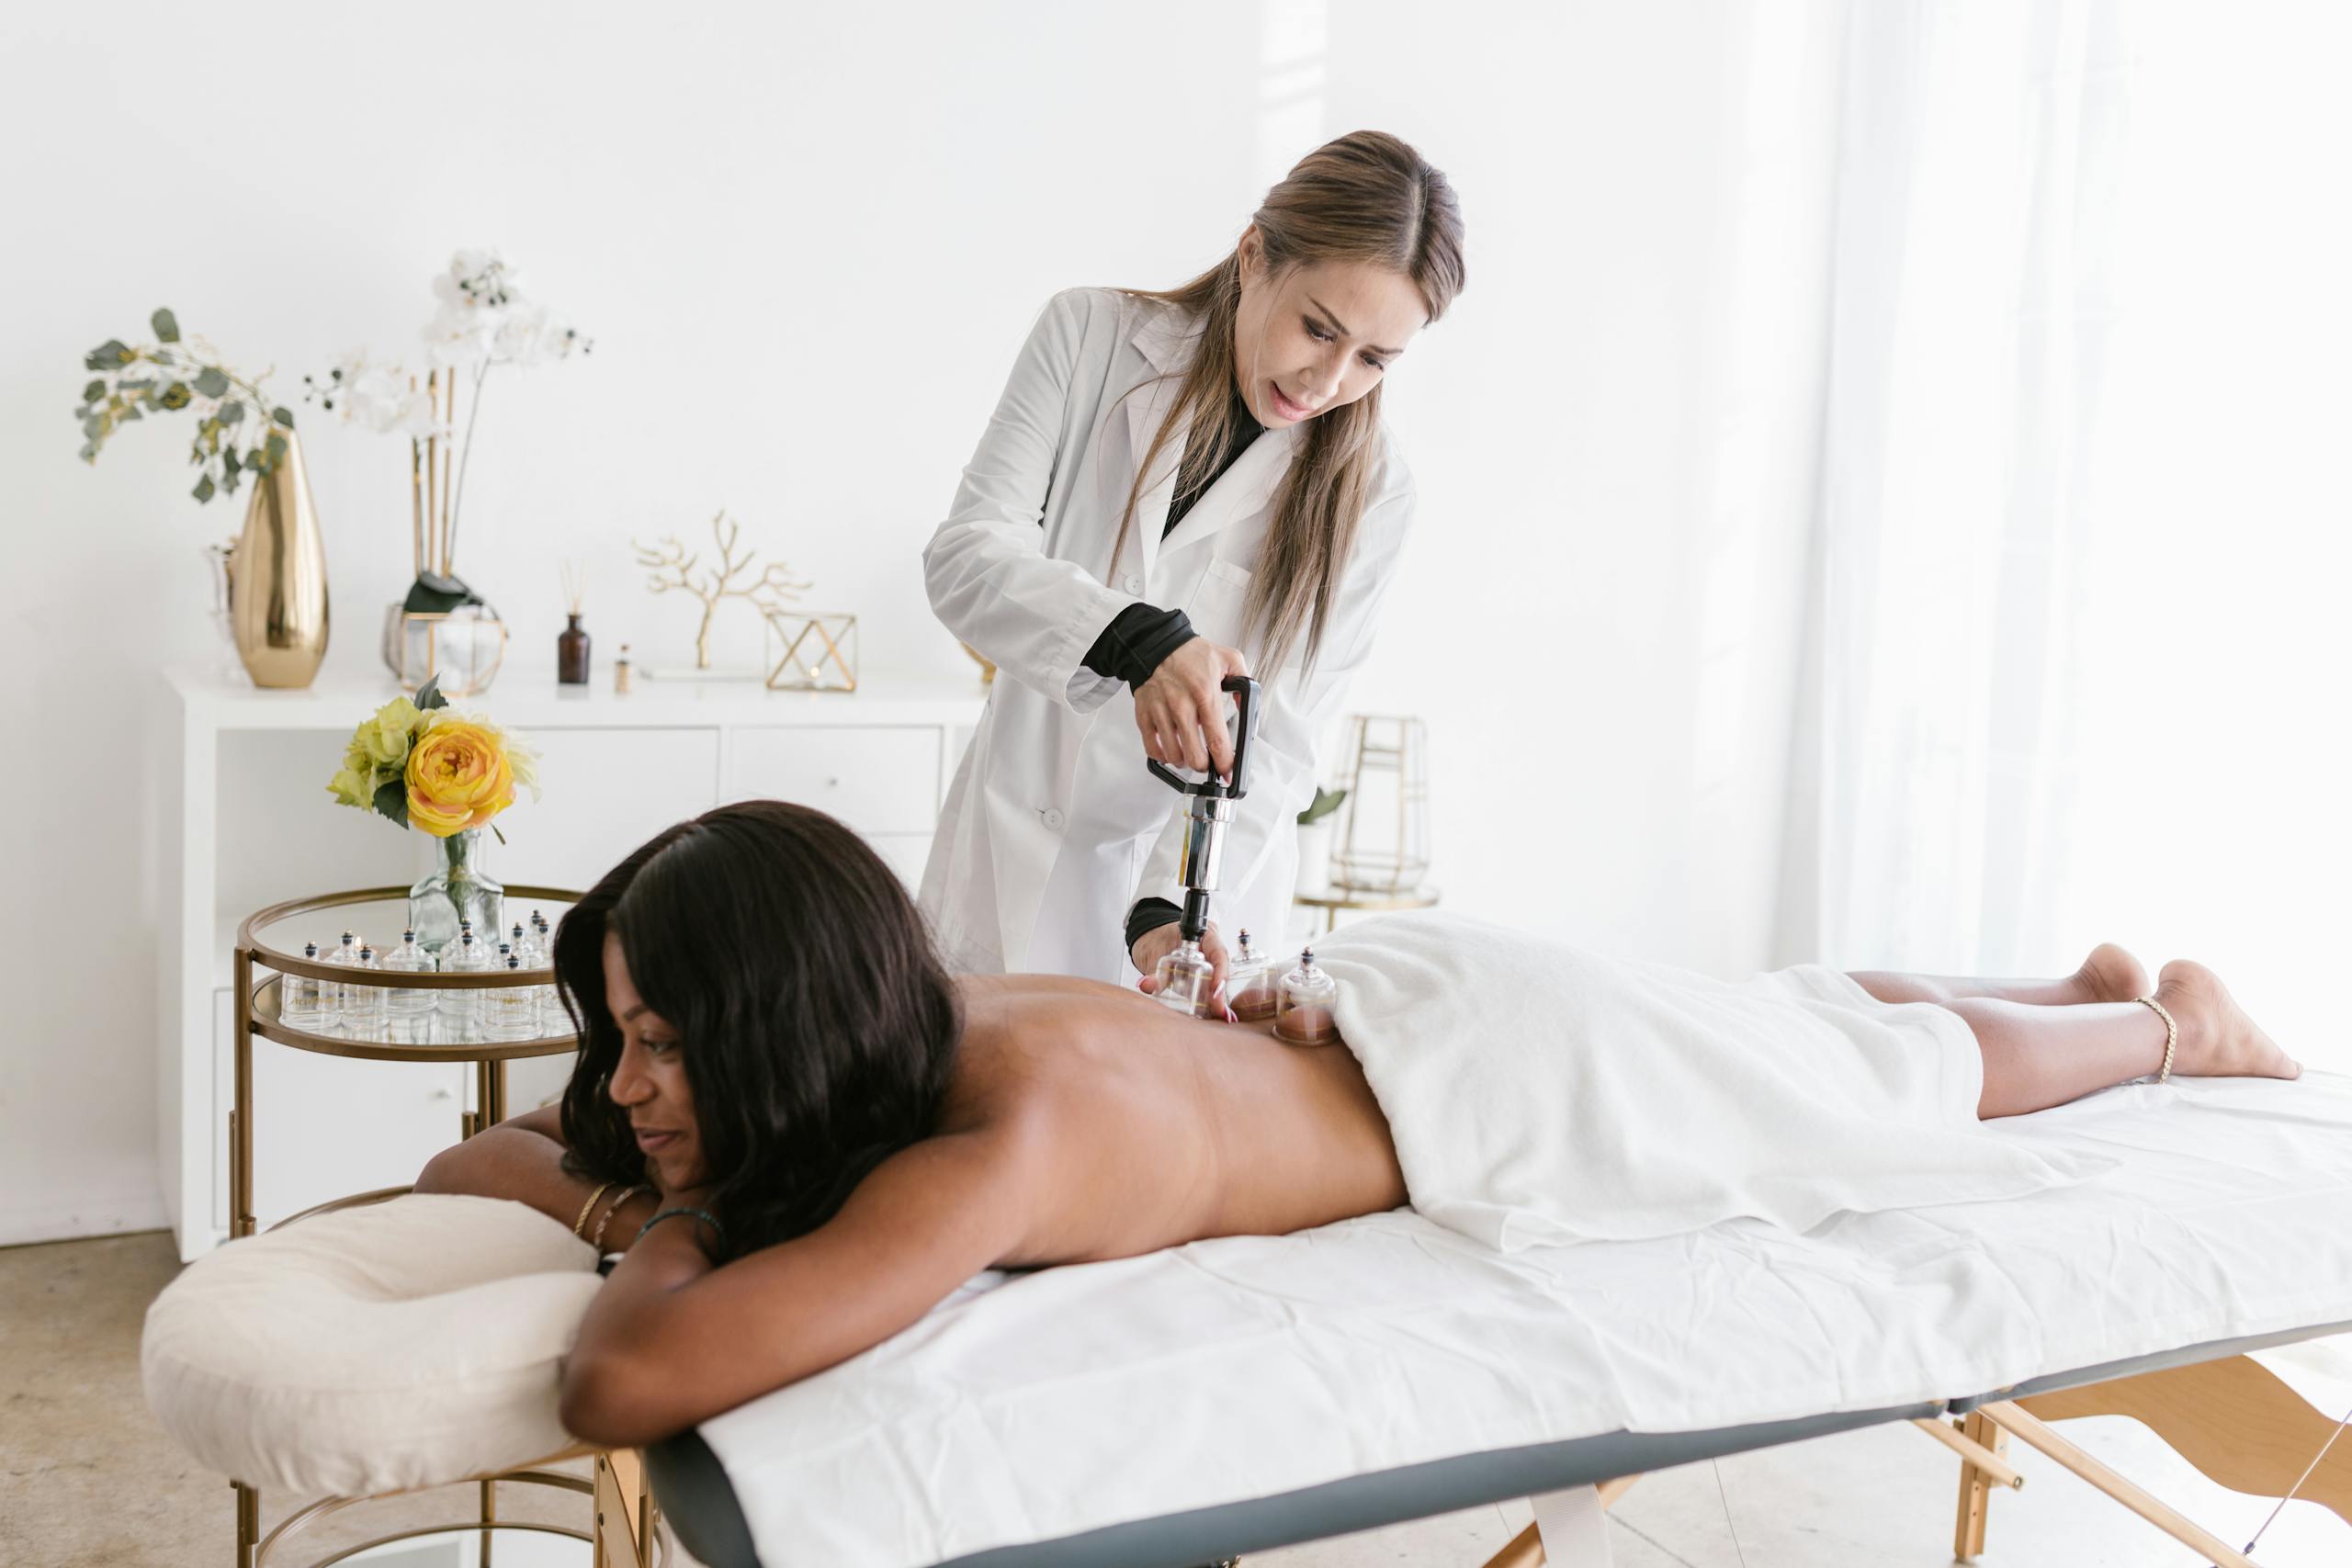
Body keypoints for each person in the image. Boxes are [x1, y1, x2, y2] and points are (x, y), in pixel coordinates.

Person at [416, 803, 2300, 1449]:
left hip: (1490, 1077)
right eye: (622, 1043)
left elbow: (624, 1382)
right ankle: (2064, 976)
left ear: (775, 1023)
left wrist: (658, 1208)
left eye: (663, 1041)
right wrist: (585, 1153)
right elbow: (466, 1158)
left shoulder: (986, 1151)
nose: (634, 1082)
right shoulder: (923, 1018)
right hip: (1390, 1004)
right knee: (1765, 1017)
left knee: (1841, 1086)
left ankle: (2146, 1025)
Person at [918, 130, 1465, 995]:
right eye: (1318, 328)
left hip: (1175, 925)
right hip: (995, 864)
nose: (1327, 380)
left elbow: (1282, 741)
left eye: (1374, 360)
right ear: (1254, 256)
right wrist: (1136, 642)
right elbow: (966, 556)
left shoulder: (1375, 494)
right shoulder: (1089, 337)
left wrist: (1166, 908)